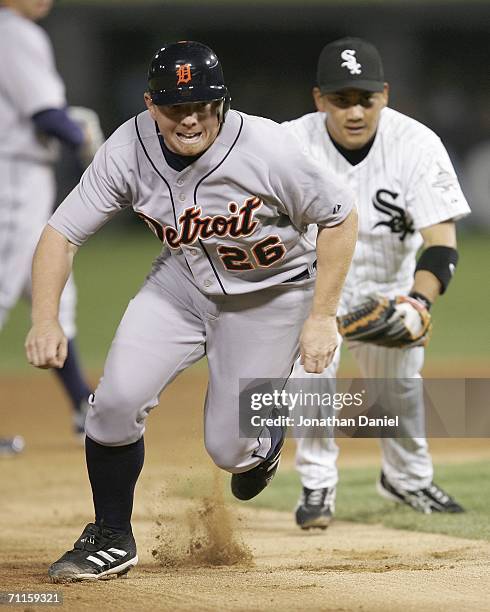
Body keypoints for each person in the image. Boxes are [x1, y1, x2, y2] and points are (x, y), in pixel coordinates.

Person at [25, 40, 358, 581]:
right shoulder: (127, 148)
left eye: (202, 105)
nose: (190, 119)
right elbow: (61, 233)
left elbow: (340, 218)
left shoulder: (266, 148)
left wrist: (321, 315)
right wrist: (44, 317)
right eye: (175, 106)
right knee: (112, 403)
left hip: (272, 293)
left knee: (232, 453)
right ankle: (111, 535)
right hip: (181, 283)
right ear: (150, 105)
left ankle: (263, 436)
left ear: (221, 103)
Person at [284, 37, 471, 530]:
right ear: (319, 98)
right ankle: (317, 482)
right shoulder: (288, 144)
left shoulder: (416, 145)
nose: (354, 110)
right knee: (313, 378)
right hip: (314, 289)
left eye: (365, 98)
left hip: (388, 289)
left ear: (384, 95)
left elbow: (442, 244)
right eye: (341, 99)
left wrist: (418, 302)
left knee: (400, 389)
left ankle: (407, 479)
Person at [0, 0, 100, 439]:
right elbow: (45, 114)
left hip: (24, 177)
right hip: (12, 178)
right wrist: (82, 137)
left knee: (55, 292)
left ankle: (83, 404)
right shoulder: (14, 31)